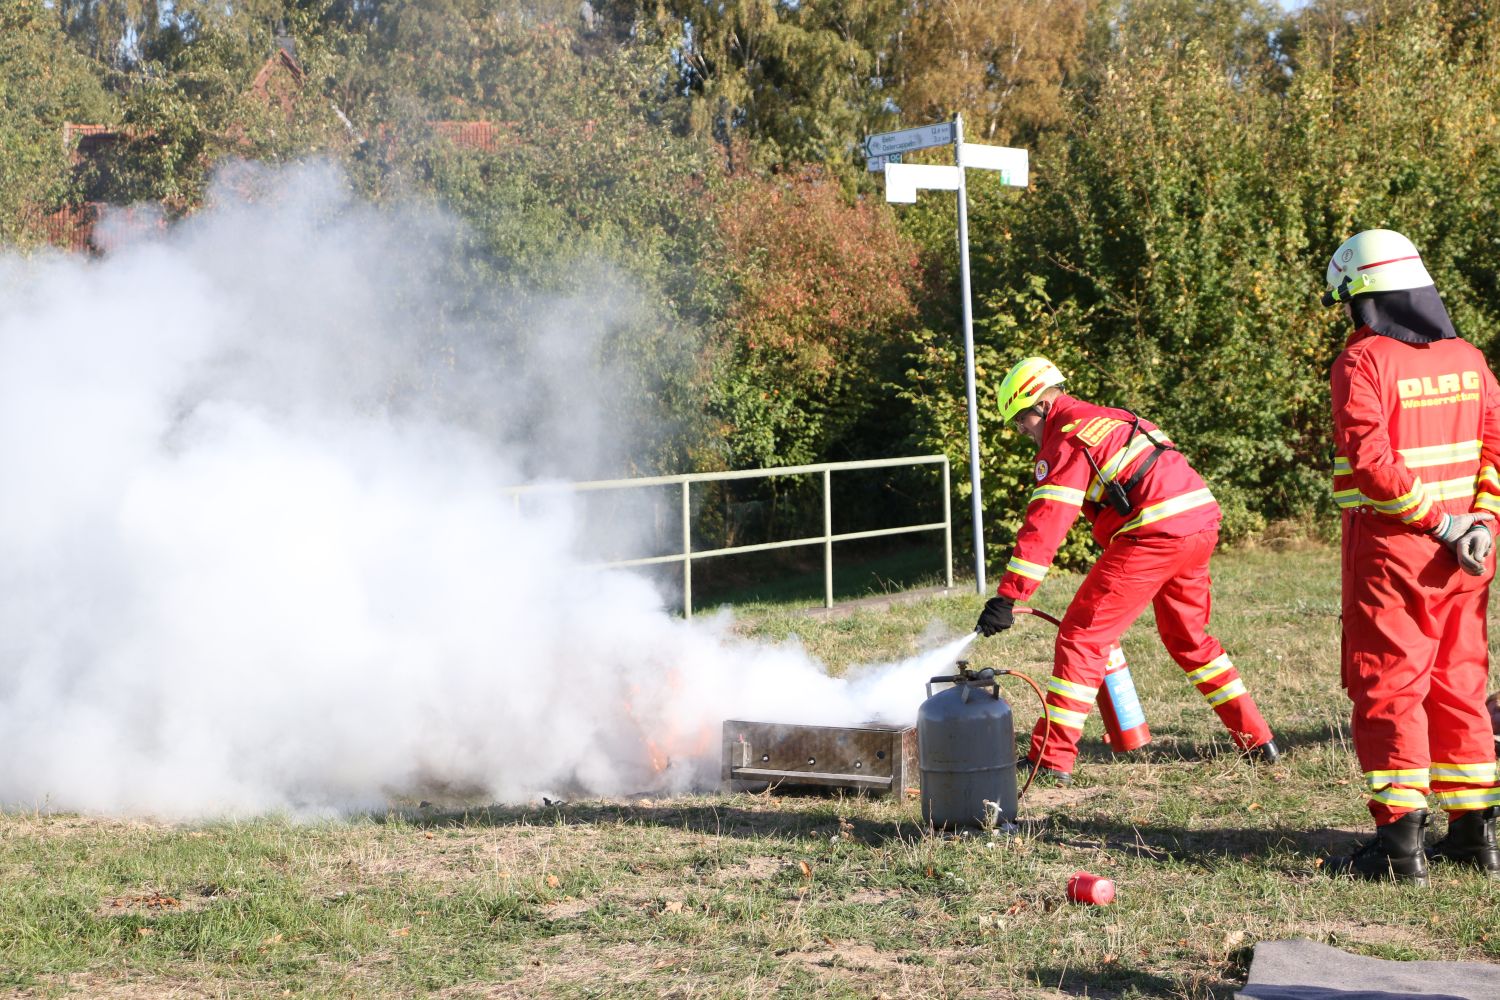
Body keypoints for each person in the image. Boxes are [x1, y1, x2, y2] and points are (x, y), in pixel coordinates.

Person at [974, 357, 1279, 784]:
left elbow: (1046, 523)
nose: (1021, 429)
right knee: (1191, 640)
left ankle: (1051, 759)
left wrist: (1010, 595)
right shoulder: (1110, 416)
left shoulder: (1065, 438)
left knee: (1081, 636)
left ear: (1041, 404)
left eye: (1021, 418)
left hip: (1153, 532)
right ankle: (1257, 738)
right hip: (1200, 522)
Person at [1321, 228, 1500, 884]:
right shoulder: (1470, 358)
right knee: (1461, 684)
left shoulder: (1362, 362)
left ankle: (1399, 849)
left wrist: (1441, 523)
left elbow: (1371, 465)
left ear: (1364, 298)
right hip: (1470, 558)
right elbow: (1494, 453)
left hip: (1395, 548)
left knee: (1389, 685)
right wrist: (1481, 523)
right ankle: (1474, 837)